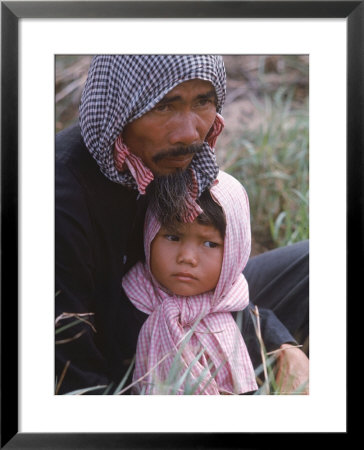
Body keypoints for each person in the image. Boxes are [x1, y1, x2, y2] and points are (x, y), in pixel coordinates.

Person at [55, 55, 309, 395]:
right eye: (163, 106)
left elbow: (217, 273)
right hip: (121, 353)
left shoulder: (175, 157)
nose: (190, 133)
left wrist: (280, 345)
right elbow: (70, 371)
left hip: (192, 299)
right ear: (121, 108)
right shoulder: (57, 199)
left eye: (203, 102)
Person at [122, 171, 258, 395]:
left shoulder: (236, 307)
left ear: (236, 250)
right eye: (173, 237)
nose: (187, 257)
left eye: (209, 243)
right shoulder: (130, 303)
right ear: (149, 236)